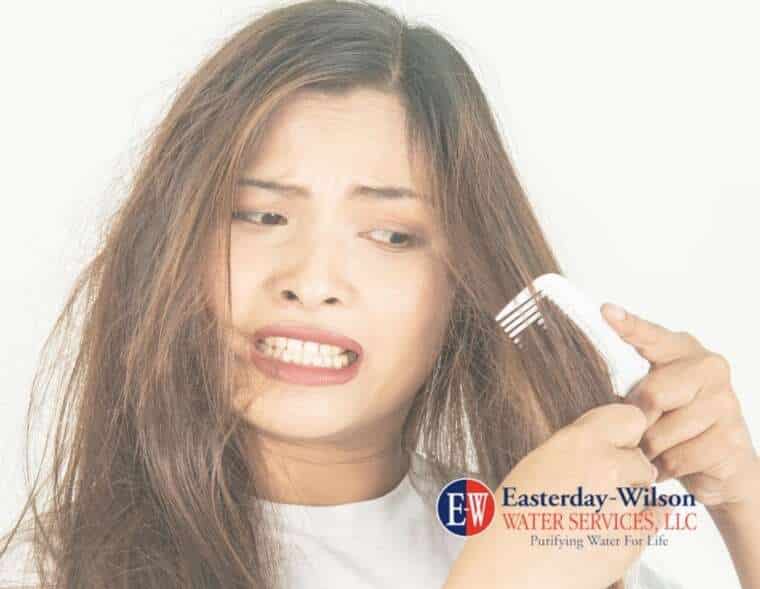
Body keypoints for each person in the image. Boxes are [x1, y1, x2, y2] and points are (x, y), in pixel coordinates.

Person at [1, 1, 758, 588]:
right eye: (263, 215)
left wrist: (742, 502)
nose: (313, 280)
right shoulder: (58, 566)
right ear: (176, 246)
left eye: (391, 234)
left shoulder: (547, 541)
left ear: (465, 286)